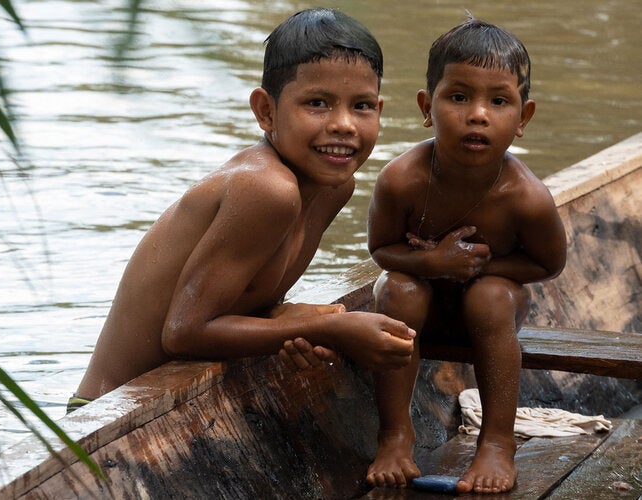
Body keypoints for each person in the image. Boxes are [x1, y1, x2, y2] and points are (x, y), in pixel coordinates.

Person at [68, 8, 416, 413]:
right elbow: (183, 333)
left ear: (380, 110)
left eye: (362, 106)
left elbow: (240, 302)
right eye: (317, 103)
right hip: (107, 411)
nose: (344, 124)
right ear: (266, 111)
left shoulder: (332, 188)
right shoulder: (266, 188)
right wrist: (330, 328)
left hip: (185, 405)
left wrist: (283, 320)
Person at [364, 15, 567, 495]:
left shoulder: (527, 197)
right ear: (426, 107)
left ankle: (497, 441)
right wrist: (434, 265)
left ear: (523, 118)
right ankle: (395, 434)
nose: (478, 114)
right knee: (398, 289)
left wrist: (478, 268)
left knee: (491, 297)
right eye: (458, 96)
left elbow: (547, 265)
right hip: (422, 306)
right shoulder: (401, 179)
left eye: (499, 101)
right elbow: (381, 250)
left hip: (491, 313)